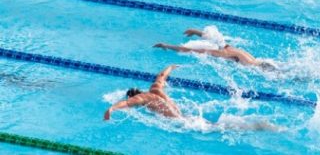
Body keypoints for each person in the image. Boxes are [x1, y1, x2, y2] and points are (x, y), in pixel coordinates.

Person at [104, 65, 282, 131]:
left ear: (136, 95)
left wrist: (111, 109)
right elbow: (161, 76)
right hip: (185, 116)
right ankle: (255, 125)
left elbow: (126, 103)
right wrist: (171, 67)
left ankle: (256, 126)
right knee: (215, 125)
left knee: (221, 128)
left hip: (182, 122)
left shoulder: (142, 98)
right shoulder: (155, 90)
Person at [153, 28, 278, 71]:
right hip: (264, 64)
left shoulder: (223, 52)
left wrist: (167, 45)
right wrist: (196, 31)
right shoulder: (230, 48)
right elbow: (217, 39)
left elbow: (189, 51)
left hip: (260, 69)